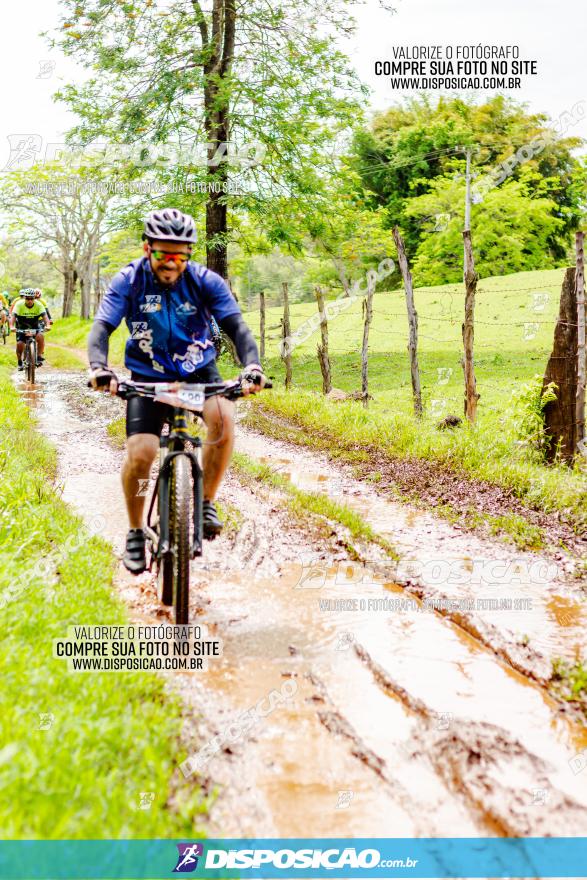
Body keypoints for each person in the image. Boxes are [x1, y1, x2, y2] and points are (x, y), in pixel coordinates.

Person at [87, 208, 266, 575]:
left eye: (179, 255)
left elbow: (237, 328)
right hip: (147, 375)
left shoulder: (205, 281)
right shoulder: (129, 281)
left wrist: (253, 367)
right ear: (146, 248)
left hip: (199, 371)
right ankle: (136, 530)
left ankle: (206, 502)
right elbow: (102, 327)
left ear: (188, 254)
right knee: (142, 453)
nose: (170, 263)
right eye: (161, 254)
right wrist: (99, 367)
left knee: (223, 419)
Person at [10, 288, 49, 369]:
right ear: (24, 298)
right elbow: (13, 317)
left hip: (35, 326)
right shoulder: (19, 304)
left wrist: (48, 325)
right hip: (22, 327)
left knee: (41, 336)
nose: (30, 300)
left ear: (34, 298)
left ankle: (38, 356)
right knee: (20, 344)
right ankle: (20, 361)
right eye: (27, 298)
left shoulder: (38, 304)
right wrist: (11, 326)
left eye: (32, 298)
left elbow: (45, 316)